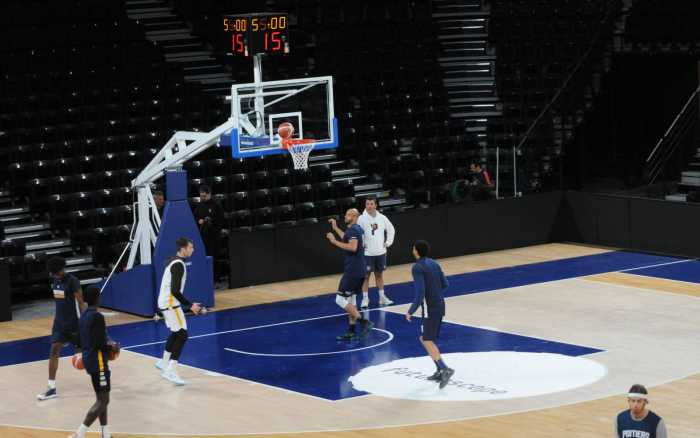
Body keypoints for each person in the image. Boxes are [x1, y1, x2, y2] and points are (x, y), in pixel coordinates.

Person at [69, 285, 119, 438]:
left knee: (102, 399)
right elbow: (99, 343)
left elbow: (78, 339)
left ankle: (105, 433)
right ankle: (80, 433)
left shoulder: (84, 315)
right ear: (98, 298)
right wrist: (112, 347)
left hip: (90, 361)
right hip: (99, 362)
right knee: (103, 400)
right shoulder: (97, 317)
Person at [155, 237, 203, 385]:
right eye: (190, 247)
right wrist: (190, 306)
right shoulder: (179, 265)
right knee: (182, 334)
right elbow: (175, 290)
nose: (192, 250)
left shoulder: (173, 260)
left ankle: (163, 363)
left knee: (177, 332)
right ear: (183, 248)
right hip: (170, 304)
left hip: (165, 302)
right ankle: (171, 369)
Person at [405, 240, 453, 389]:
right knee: (425, 338)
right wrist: (435, 294)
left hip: (430, 308)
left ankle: (445, 368)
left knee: (427, 340)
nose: (412, 251)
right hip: (439, 304)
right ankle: (439, 370)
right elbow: (445, 284)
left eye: (413, 249)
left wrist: (410, 311)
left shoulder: (417, 267)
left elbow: (420, 292)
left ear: (416, 251)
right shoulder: (434, 263)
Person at [37, 256, 85, 401]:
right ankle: (51, 388)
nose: (55, 275)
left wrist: (85, 321)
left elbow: (81, 303)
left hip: (74, 325)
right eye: (53, 273)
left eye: (57, 272)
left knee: (84, 355)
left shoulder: (73, 281)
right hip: (59, 325)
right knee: (54, 351)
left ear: (62, 269)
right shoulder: (55, 280)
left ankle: (103, 371)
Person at [327, 209, 373, 341]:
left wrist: (334, 242)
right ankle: (351, 331)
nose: (345, 216)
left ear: (353, 216)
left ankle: (364, 322)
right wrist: (336, 228)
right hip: (360, 269)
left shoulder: (353, 230)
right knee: (351, 300)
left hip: (353, 271)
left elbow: (352, 247)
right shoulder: (357, 229)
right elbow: (347, 237)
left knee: (340, 299)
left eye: (347, 214)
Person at [357, 196, 396, 308]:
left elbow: (391, 230)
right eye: (367, 204)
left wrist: (388, 243)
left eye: (371, 204)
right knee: (366, 276)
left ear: (376, 205)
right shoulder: (361, 219)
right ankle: (365, 299)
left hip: (380, 252)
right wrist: (362, 244)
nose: (369, 206)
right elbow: (359, 234)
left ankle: (382, 297)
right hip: (367, 253)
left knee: (379, 275)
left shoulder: (382, 218)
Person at [193, 184, 226, 283]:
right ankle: (206, 279)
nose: (202, 198)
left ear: (209, 194)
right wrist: (199, 220)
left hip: (214, 237)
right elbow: (195, 217)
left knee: (214, 258)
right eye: (201, 196)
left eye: (204, 196)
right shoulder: (199, 205)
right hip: (203, 236)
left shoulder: (216, 205)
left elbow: (220, 220)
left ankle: (215, 279)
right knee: (204, 257)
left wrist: (210, 222)